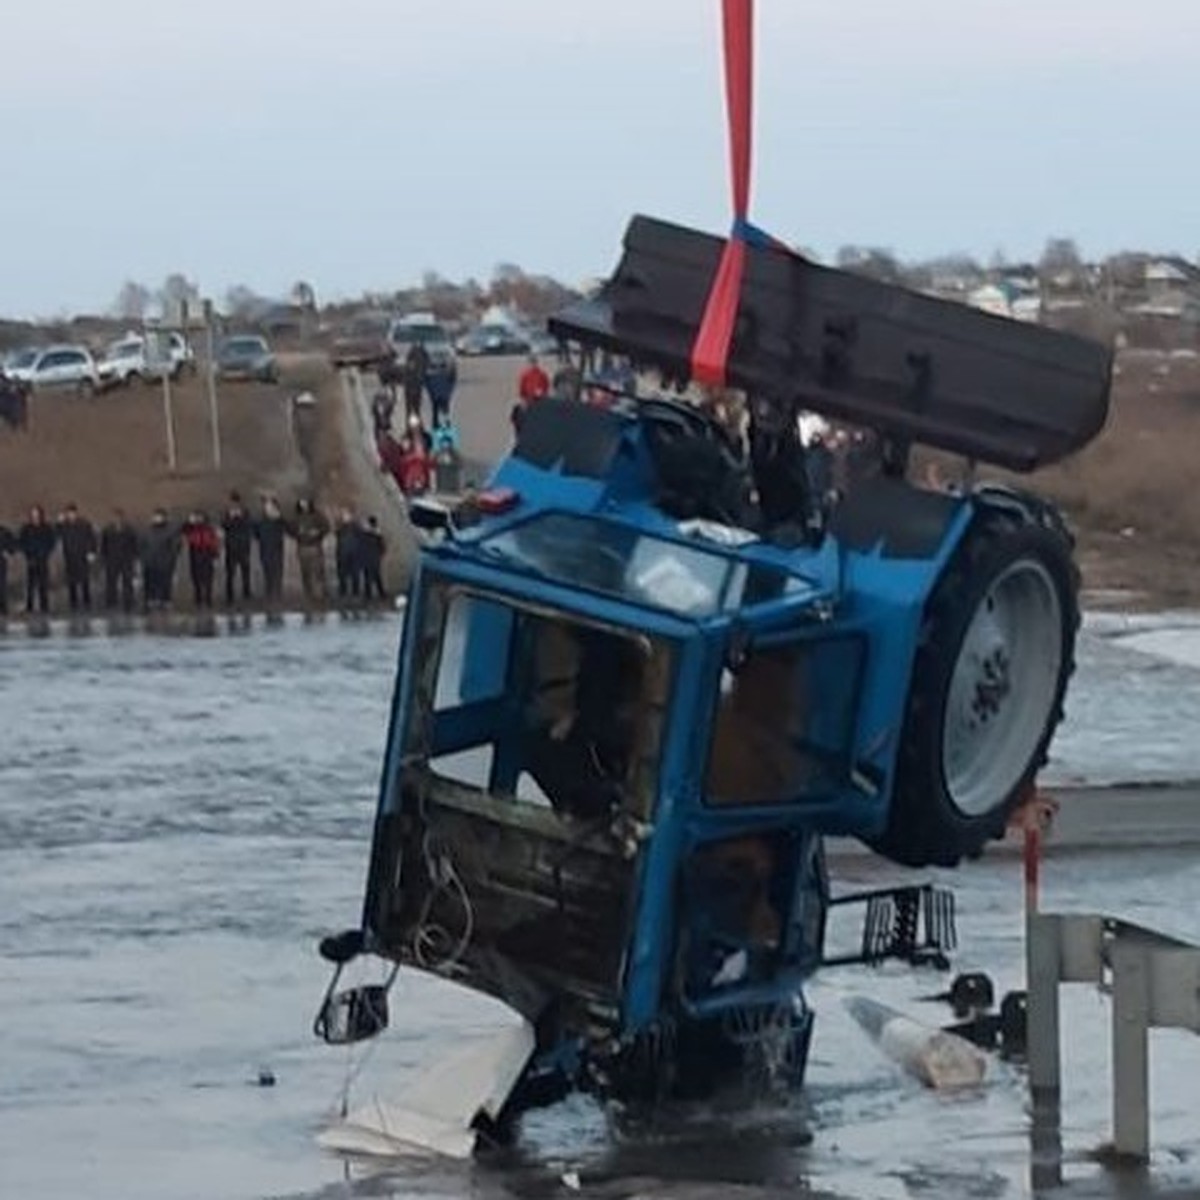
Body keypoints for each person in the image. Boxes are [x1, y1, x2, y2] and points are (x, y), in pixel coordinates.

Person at [57, 503, 97, 613]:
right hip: (69, 556)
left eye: (72, 513)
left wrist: (92, 552)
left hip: (82, 555)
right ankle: (73, 603)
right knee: (71, 581)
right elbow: (57, 535)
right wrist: (59, 524)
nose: (70, 515)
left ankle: (87, 602)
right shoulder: (64, 525)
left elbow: (92, 538)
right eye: (68, 513)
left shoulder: (84, 524)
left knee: (84, 579)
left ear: (75, 513)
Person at [288, 498, 329, 604]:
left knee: (317, 572)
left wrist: (318, 532)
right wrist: (298, 533)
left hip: (315, 547)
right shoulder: (296, 517)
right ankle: (308, 594)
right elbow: (290, 530)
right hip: (302, 547)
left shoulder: (317, 516)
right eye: (302, 502)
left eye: (305, 502)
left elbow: (326, 527)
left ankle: (319, 595)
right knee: (305, 573)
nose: (304, 505)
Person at [18, 505, 56, 615]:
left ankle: (45, 606)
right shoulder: (26, 528)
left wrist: (45, 553)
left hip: (43, 559)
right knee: (30, 585)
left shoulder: (47, 528)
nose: (35, 517)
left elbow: (51, 542)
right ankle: (29, 606)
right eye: (33, 515)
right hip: (31, 559)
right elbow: (22, 542)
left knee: (43, 584)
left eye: (36, 514)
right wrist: (27, 554)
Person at [100, 509, 139, 613]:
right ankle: (111, 602)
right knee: (111, 581)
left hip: (126, 559)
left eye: (119, 517)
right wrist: (104, 558)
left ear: (122, 518)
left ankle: (128, 602)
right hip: (112, 559)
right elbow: (104, 545)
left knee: (127, 581)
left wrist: (134, 556)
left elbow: (134, 544)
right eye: (115, 518)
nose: (117, 520)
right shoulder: (107, 530)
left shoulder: (129, 530)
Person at [141, 508, 181, 611]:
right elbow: (142, 544)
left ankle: (165, 600)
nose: (157, 518)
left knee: (165, 582)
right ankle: (151, 599)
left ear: (164, 517)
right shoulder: (147, 530)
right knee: (150, 581)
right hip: (150, 560)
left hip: (165, 561)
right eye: (155, 516)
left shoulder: (171, 530)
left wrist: (171, 557)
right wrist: (144, 557)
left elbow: (175, 546)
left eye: (159, 516)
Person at [221, 490, 254, 605]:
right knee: (230, 572)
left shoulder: (246, 512)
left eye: (236, 503)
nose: (234, 506)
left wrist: (240, 518)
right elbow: (224, 525)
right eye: (233, 503)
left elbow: (249, 525)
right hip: (231, 546)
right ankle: (229, 595)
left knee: (246, 571)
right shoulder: (227, 513)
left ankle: (247, 592)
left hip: (243, 545)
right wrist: (231, 518)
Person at [183, 511, 220, 608]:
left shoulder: (209, 529)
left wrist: (215, 555)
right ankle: (198, 597)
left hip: (207, 553)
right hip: (195, 553)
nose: (199, 519)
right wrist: (189, 521)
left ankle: (208, 598)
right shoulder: (191, 528)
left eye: (200, 517)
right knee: (196, 577)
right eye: (197, 517)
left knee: (208, 578)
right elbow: (184, 530)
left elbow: (214, 542)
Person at [255, 495, 287, 606]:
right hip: (265, 549)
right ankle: (269, 594)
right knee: (267, 573)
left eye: (270, 507)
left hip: (277, 549)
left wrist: (279, 518)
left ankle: (277, 594)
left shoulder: (279, 520)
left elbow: (287, 527)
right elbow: (256, 533)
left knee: (277, 572)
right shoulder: (260, 521)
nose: (268, 509)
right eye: (266, 507)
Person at [334, 508, 363, 600]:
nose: (346, 517)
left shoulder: (356, 527)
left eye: (347, 516)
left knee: (355, 573)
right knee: (342, 573)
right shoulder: (340, 528)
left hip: (354, 553)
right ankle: (343, 590)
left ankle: (355, 591)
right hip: (343, 553)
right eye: (344, 516)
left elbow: (361, 538)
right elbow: (337, 536)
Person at [360, 516, 386, 602]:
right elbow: (382, 547)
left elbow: (382, 547)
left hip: (370, 557)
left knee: (371, 576)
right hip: (372, 557)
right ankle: (378, 593)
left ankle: (370, 594)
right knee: (374, 575)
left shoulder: (370, 535)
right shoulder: (376, 535)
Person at [403, 342, 430, 422]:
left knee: (413, 409)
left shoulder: (419, 355)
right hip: (413, 386)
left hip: (414, 386)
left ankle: (413, 427)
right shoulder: (421, 354)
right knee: (413, 409)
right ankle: (413, 427)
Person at [0, 521, 14, 615]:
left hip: (1, 561)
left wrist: (9, 552)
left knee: (2, 584)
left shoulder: (4, 531)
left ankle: (3, 607)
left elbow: (11, 544)